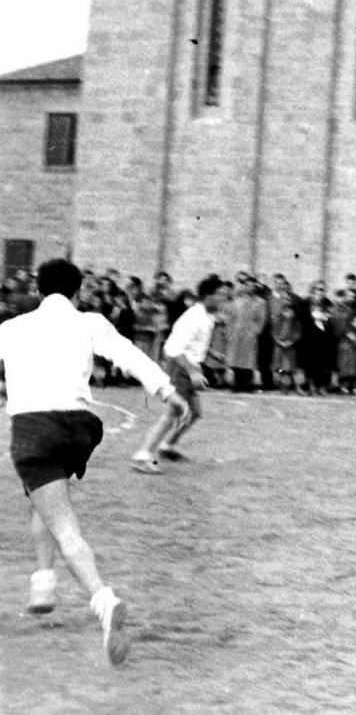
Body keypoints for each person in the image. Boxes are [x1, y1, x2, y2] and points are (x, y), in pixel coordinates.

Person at [0, 259, 190, 664]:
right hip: (78, 427)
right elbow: (131, 356)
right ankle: (43, 583)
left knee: (62, 521)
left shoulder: (11, 329)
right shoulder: (91, 322)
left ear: (37, 288)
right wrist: (168, 392)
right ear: (78, 290)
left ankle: (102, 600)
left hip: (34, 428)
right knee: (47, 496)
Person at [132, 274, 227, 473]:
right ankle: (143, 455)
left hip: (189, 368)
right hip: (181, 369)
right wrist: (192, 371)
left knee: (194, 413)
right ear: (207, 296)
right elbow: (173, 348)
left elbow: (192, 344)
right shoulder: (194, 317)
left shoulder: (207, 316)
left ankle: (166, 446)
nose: (223, 300)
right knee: (174, 412)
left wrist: (212, 354)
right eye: (219, 295)